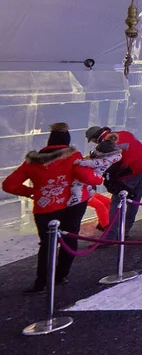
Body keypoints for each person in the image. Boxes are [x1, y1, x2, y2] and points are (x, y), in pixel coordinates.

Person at [2, 123, 101, 293]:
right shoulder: (73, 157)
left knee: (47, 245)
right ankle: (61, 275)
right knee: (70, 239)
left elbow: (9, 184)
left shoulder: (32, 162)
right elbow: (86, 176)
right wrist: (98, 178)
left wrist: (32, 192)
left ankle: (41, 282)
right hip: (73, 204)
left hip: (45, 207)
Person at [85, 125, 142, 241]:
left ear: (95, 138)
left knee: (117, 201)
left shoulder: (106, 144)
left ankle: (111, 236)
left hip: (132, 170)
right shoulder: (124, 133)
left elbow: (108, 164)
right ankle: (125, 231)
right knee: (134, 200)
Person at [75, 139, 122, 232]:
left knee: (109, 202)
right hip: (80, 192)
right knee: (99, 205)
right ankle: (106, 227)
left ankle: (105, 224)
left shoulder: (99, 161)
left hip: (89, 190)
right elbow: (90, 178)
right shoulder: (89, 163)